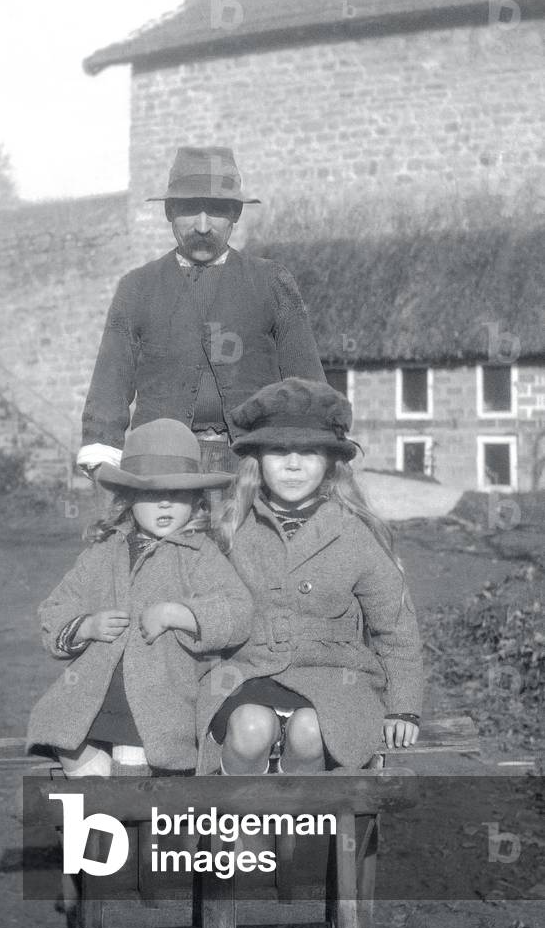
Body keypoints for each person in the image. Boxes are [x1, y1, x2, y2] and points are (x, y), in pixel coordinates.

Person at [196, 378, 423, 775]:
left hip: (337, 677)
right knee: (250, 728)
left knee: (310, 732)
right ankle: (243, 831)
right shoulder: (231, 529)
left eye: (310, 452)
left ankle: (302, 832)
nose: (294, 464)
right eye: (279, 451)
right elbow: (203, 612)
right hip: (248, 672)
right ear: (257, 460)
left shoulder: (354, 533)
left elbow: (395, 627)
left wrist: (403, 707)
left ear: (331, 462)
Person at [77, 146, 326, 478]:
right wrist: (103, 460)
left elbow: (306, 385)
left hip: (251, 466)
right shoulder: (137, 288)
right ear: (169, 211)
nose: (204, 226)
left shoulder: (272, 282)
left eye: (218, 211)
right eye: (190, 211)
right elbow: (109, 385)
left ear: (236, 214)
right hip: (160, 466)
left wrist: (315, 455)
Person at [26, 419, 253, 777]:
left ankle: (130, 814)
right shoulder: (104, 552)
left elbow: (238, 612)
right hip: (94, 689)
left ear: (196, 500)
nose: (165, 503)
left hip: (162, 690)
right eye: (150, 493)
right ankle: (101, 806)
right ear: (129, 499)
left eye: (177, 494)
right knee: (68, 740)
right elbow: (55, 609)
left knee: (137, 755)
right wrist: (85, 626)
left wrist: (179, 614)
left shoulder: (199, 553)